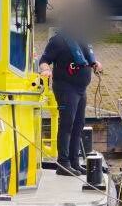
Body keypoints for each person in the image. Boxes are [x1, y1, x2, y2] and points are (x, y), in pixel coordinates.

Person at [38, 27, 101, 174]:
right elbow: (44, 60)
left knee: (79, 124)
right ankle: (63, 163)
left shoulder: (83, 39)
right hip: (66, 88)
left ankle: (74, 161)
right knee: (67, 123)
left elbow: (89, 59)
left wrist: (97, 64)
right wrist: (46, 70)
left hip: (81, 89)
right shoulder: (58, 41)